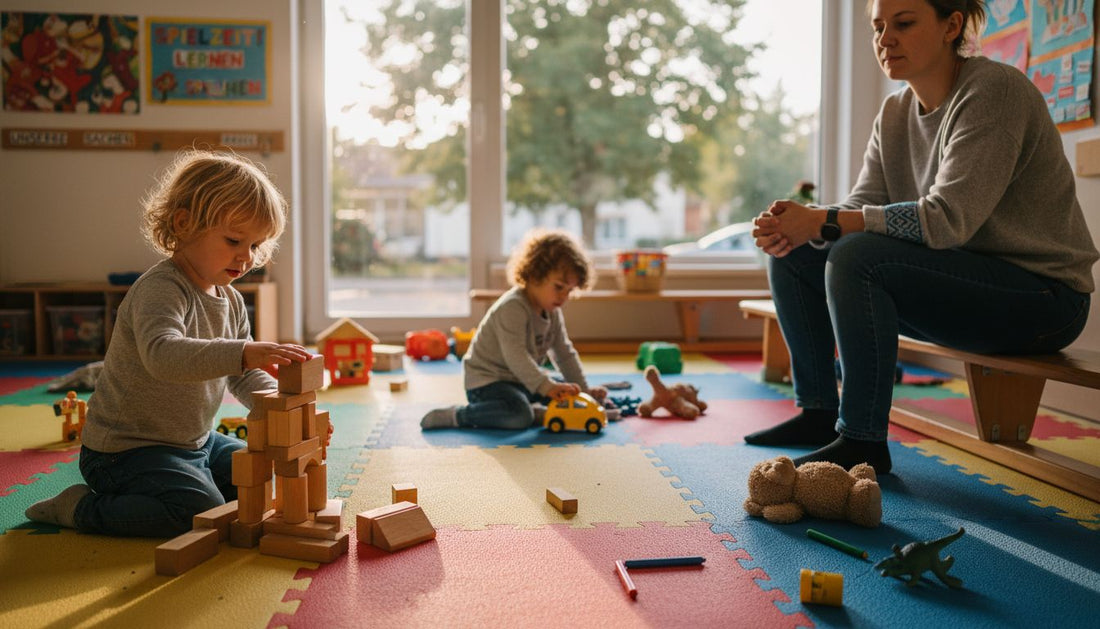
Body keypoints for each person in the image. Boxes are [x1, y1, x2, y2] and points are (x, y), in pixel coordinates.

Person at [746, 0, 1098, 474]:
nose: (885, 39)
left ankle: (863, 441)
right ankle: (819, 414)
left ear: (952, 25)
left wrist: (823, 220)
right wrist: (798, 222)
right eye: (878, 27)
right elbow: (859, 206)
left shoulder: (994, 90)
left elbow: (946, 220)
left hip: (1045, 297)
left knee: (855, 255)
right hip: (962, 279)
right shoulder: (894, 112)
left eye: (904, 23)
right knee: (795, 255)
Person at [25, 149, 315, 537]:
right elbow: (164, 356)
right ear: (184, 224)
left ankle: (193, 480)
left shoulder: (230, 301)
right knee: (196, 512)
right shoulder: (160, 289)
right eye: (234, 240)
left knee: (255, 475)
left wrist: (286, 414)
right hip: (124, 452)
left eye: (256, 246)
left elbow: (243, 378)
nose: (246, 257)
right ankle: (80, 508)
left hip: (194, 441)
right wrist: (244, 353)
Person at [421, 229, 607, 430]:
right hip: (488, 383)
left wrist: (584, 394)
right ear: (535, 274)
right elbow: (516, 356)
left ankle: (533, 409)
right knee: (519, 415)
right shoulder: (513, 307)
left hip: (521, 380)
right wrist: (546, 386)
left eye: (569, 291)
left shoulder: (551, 310)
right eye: (559, 287)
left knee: (566, 391)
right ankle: (458, 415)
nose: (564, 297)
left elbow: (564, 353)